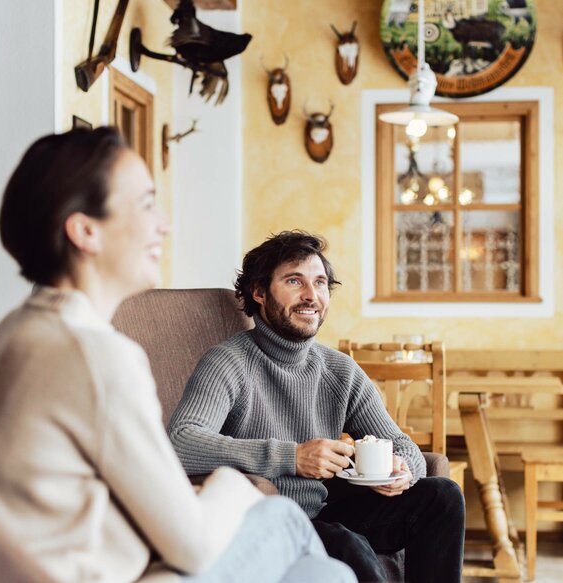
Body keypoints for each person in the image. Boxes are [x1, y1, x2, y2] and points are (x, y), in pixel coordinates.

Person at [0, 131, 356, 583]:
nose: (163, 224)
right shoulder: (99, 357)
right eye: (145, 204)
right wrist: (232, 484)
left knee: (321, 573)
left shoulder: (12, 332)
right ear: (85, 230)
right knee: (291, 526)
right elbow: (193, 545)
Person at [168, 230, 466, 583]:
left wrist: (401, 470)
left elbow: (402, 445)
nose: (311, 296)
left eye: (321, 283)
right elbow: (180, 441)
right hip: (267, 516)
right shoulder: (227, 362)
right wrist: (292, 457)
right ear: (259, 292)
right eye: (295, 281)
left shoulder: (339, 370)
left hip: (325, 509)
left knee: (442, 495)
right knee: (348, 545)